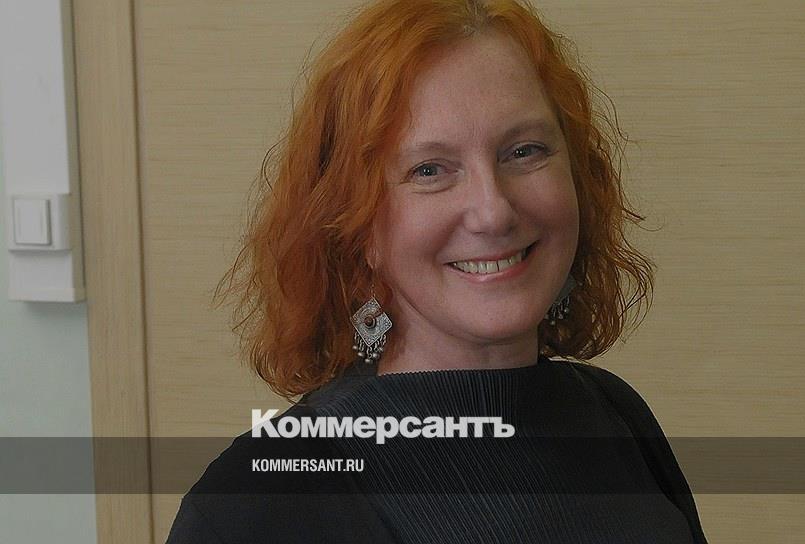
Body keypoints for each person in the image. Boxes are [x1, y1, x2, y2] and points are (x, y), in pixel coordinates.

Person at [167, 0, 708, 542]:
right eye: (429, 170)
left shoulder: (615, 415)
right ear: (355, 223)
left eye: (524, 151)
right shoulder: (259, 501)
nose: (493, 212)